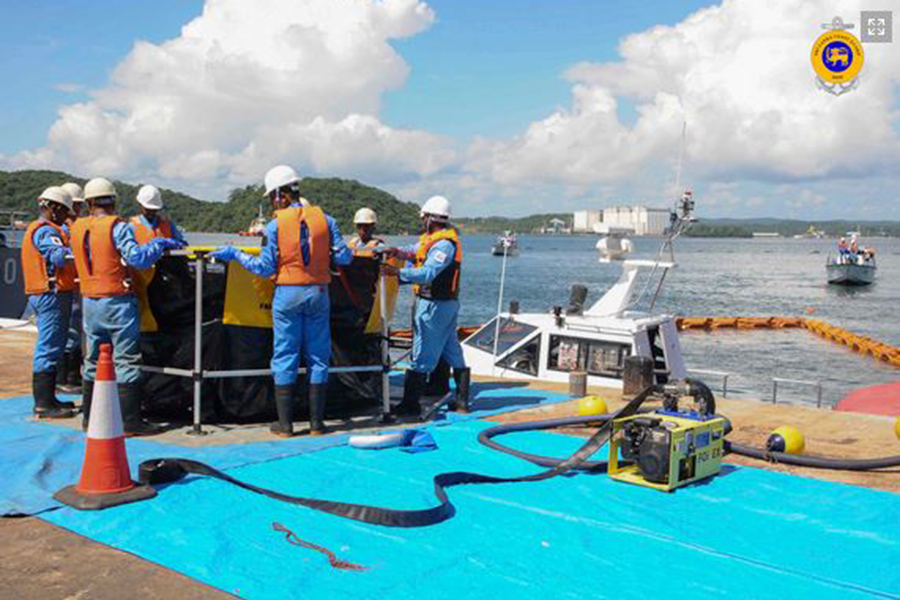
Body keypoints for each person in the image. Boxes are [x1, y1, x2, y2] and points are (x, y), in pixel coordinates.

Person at [209, 165, 352, 437]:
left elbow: (264, 268)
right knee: (318, 357)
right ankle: (317, 425)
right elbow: (345, 258)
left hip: (287, 294)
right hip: (319, 293)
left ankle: (285, 425)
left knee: (285, 354)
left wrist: (235, 254)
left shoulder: (275, 226)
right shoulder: (327, 221)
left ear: (279, 195)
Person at [70, 177, 182, 435]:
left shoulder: (77, 228)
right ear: (113, 201)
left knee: (93, 359)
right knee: (127, 360)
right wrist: (158, 244)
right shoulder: (117, 227)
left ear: (88, 202)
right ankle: (130, 421)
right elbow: (139, 259)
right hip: (117, 302)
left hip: (89, 301)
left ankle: (89, 417)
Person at [381, 195, 470, 418]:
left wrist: (397, 272)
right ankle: (461, 401)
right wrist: (397, 252)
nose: (423, 222)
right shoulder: (434, 240)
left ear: (431, 218)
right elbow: (415, 250)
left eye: (424, 218)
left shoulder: (443, 245)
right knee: (453, 351)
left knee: (421, 354)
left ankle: (411, 404)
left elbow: (428, 272)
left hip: (434, 305)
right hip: (446, 305)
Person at [21, 186, 79, 418]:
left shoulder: (45, 229)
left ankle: (49, 398)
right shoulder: (46, 231)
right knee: (49, 346)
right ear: (54, 208)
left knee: (53, 345)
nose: (68, 217)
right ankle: (44, 403)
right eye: (65, 211)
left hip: (49, 293)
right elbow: (56, 255)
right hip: (50, 294)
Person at [58, 182, 86, 390]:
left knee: (75, 330)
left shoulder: (76, 227)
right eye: (76, 205)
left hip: (77, 285)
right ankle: (64, 377)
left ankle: (72, 375)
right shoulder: (61, 230)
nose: (79, 210)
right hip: (66, 286)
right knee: (68, 331)